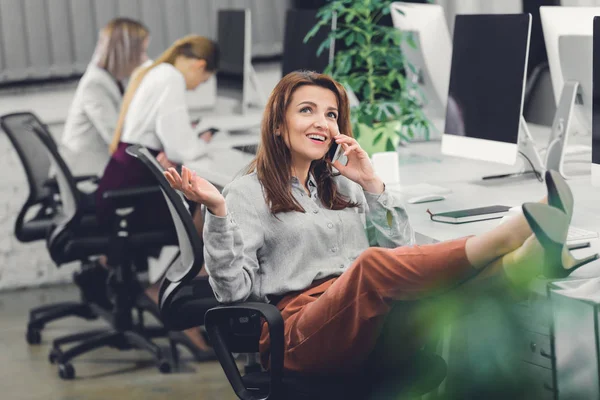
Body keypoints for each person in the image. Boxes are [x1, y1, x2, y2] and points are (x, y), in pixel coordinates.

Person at [164, 71, 598, 379]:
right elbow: (231, 294)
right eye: (307, 110)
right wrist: (218, 215)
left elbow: (403, 252)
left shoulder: (341, 183)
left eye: (332, 114)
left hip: (368, 317)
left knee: (454, 288)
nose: (322, 122)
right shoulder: (246, 191)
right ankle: (511, 231)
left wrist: (372, 185)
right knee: (369, 267)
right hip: (296, 333)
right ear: (279, 125)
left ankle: (529, 258)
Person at [93, 35, 219, 355]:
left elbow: (166, 139)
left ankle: (165, 290)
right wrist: (204, 143)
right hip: (128, 198)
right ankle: (174, 298)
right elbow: (180, 147)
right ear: (200, 65)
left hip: (120, 188)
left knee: (199, 209)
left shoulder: (157, 71)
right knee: (208, 214)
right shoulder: (172, 78)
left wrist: (181, 145)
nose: (196, 87)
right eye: (202, 80)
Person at [61, 18, 150, 176]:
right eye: (142, 52)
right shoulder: (95, 84)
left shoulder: (112, 79)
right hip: (86, 175)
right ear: (126, 53)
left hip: (99, 167)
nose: (145, 59)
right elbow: (116, 138)